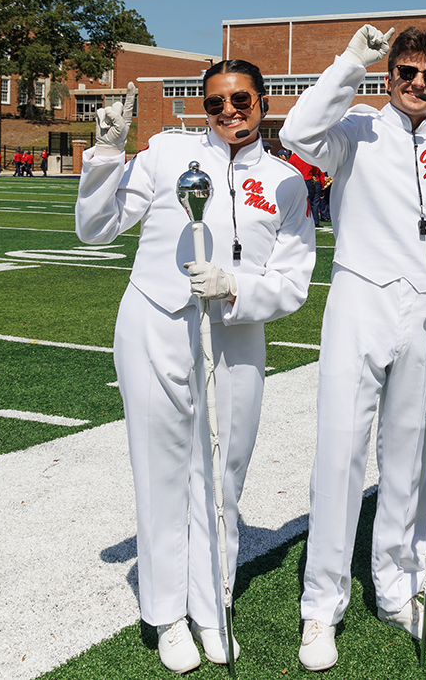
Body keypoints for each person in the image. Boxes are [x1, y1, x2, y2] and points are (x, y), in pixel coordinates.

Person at [76, 62, 315, 673]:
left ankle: (212, 602)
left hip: (235, 332)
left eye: (240, 100)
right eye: (214, 104)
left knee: (224, 472)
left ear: (263, 102)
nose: (228, 112)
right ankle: (167, 614)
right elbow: (95, 229)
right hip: (156, 320)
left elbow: (293, 283)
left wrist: (238, 286)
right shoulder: (163, 155)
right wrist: (107, 152)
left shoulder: (288, 183)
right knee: (161, 471)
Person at [282, 25, 426, 671]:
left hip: (425, 310)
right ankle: (321, 606)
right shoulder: (353, 130)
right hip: (359, 300)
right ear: (390, 74)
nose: (418, 85)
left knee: (408, 459)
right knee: (341, 456)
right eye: (407, 72)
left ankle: (397, 589)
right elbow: (296, 133)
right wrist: (350, 59)